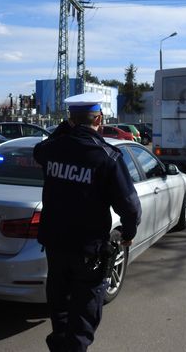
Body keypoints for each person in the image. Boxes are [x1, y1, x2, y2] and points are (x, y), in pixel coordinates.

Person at [33, 92, 142, 352]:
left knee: (59, 306)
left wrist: (65, 128)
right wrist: (128, 232)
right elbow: (129, 205)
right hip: (87, 249)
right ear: (99, 119)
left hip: (55, 245)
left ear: (71, 119)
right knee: (84, 313)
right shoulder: (107, 156)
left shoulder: (52, 149)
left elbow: (39, 151)